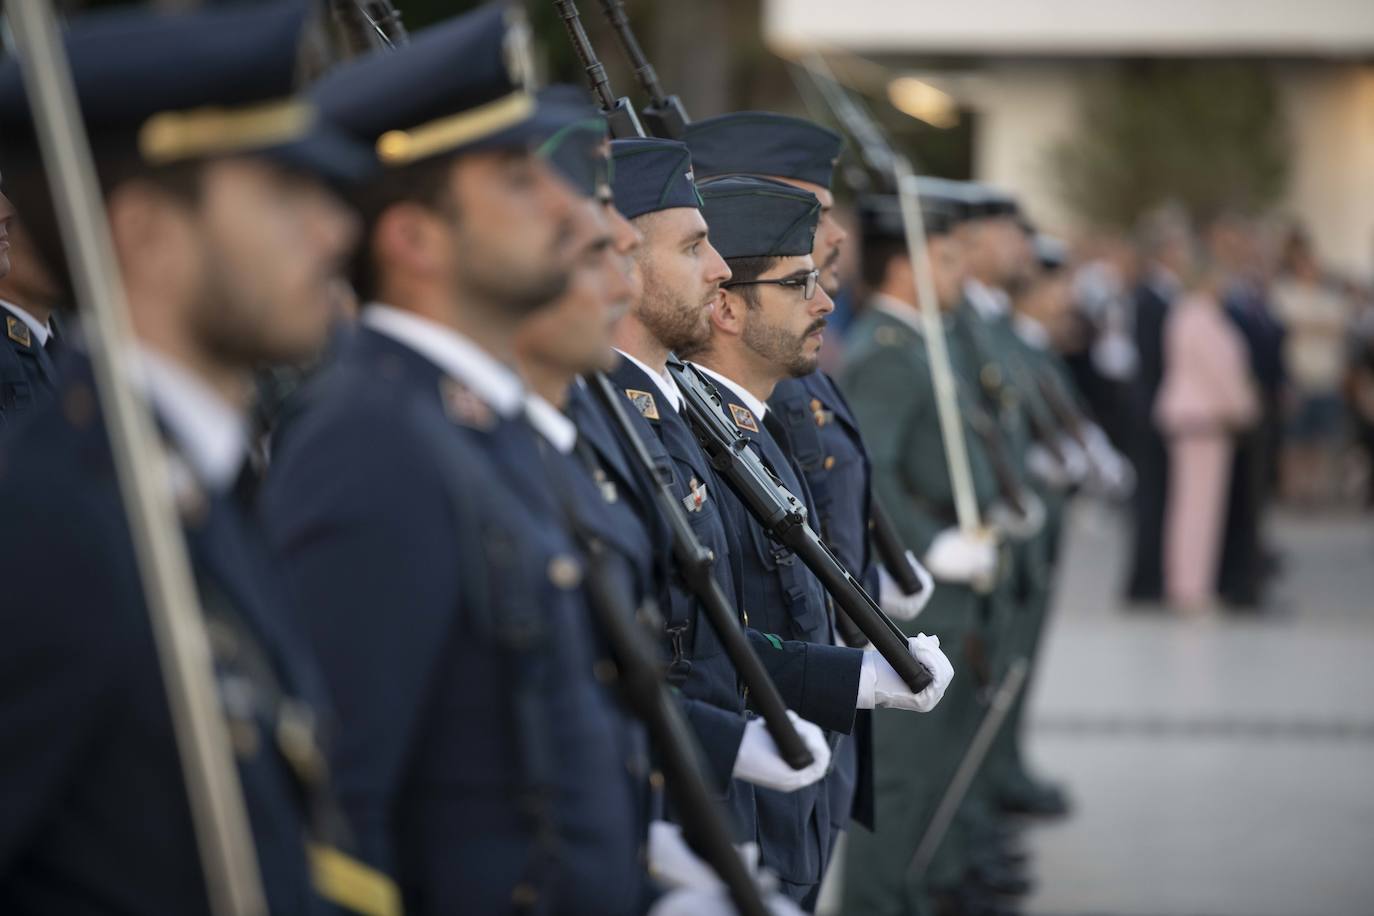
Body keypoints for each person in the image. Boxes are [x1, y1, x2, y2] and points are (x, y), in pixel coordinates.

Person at [260, 8, 666, 913]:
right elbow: (339, 824)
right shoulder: (372, 444)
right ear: (414, 241)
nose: (571, 209)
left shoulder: (479, 422)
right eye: (520, 183)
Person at [0, 4, 386, 913]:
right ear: (145, 235)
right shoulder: (56, 525)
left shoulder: (193, 487)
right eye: (281, 196)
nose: (333, 233)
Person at [682, 174, 953, 907]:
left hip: (796, 788)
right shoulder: (704, 442)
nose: (827, 301)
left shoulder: (755, 432)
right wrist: (849, 675)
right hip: (745, 801)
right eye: (798, 283)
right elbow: (710, 641)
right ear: (727, 306)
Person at [841, 190, 1016, 916]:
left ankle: (918, 888)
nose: (960, 275)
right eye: (945, 260)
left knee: (942, 753)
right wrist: (928, 541)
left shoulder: (925, 341)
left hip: (958, 566)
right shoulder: (886, 352)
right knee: (907, 770)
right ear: (905, 267)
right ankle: (880, 901)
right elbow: (868, 474)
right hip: (922, 579)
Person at [1155, 274, 1260, 611]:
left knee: (1189, 505)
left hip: (1194, 416)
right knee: (1199, 508)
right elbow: (1221, 372)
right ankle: (1191, 586)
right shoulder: (1201, 317)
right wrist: (1244, 408)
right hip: (1204, 418)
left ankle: (1185, 581)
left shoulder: (1186, 314)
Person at [1126, 205, 1195, 604]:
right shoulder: (1148, 295)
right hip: (1153, 405)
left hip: (1164, 404)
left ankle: (1159, 574)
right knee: (1151, 496)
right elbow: (1154, 357)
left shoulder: (1168, 292)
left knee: (1165, 496)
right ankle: (1145, 581)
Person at [1272, 228, 1350, 507]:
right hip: (1298, 376)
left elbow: (1338, 328)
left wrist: (1308, 326)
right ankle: (1295, 492)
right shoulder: (1284, 293)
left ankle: (1318, 492)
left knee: (1322, 439)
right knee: (1296, 440)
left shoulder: (1330, 297)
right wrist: (1314, 326)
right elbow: (1286, 327)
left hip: (1325, 377)